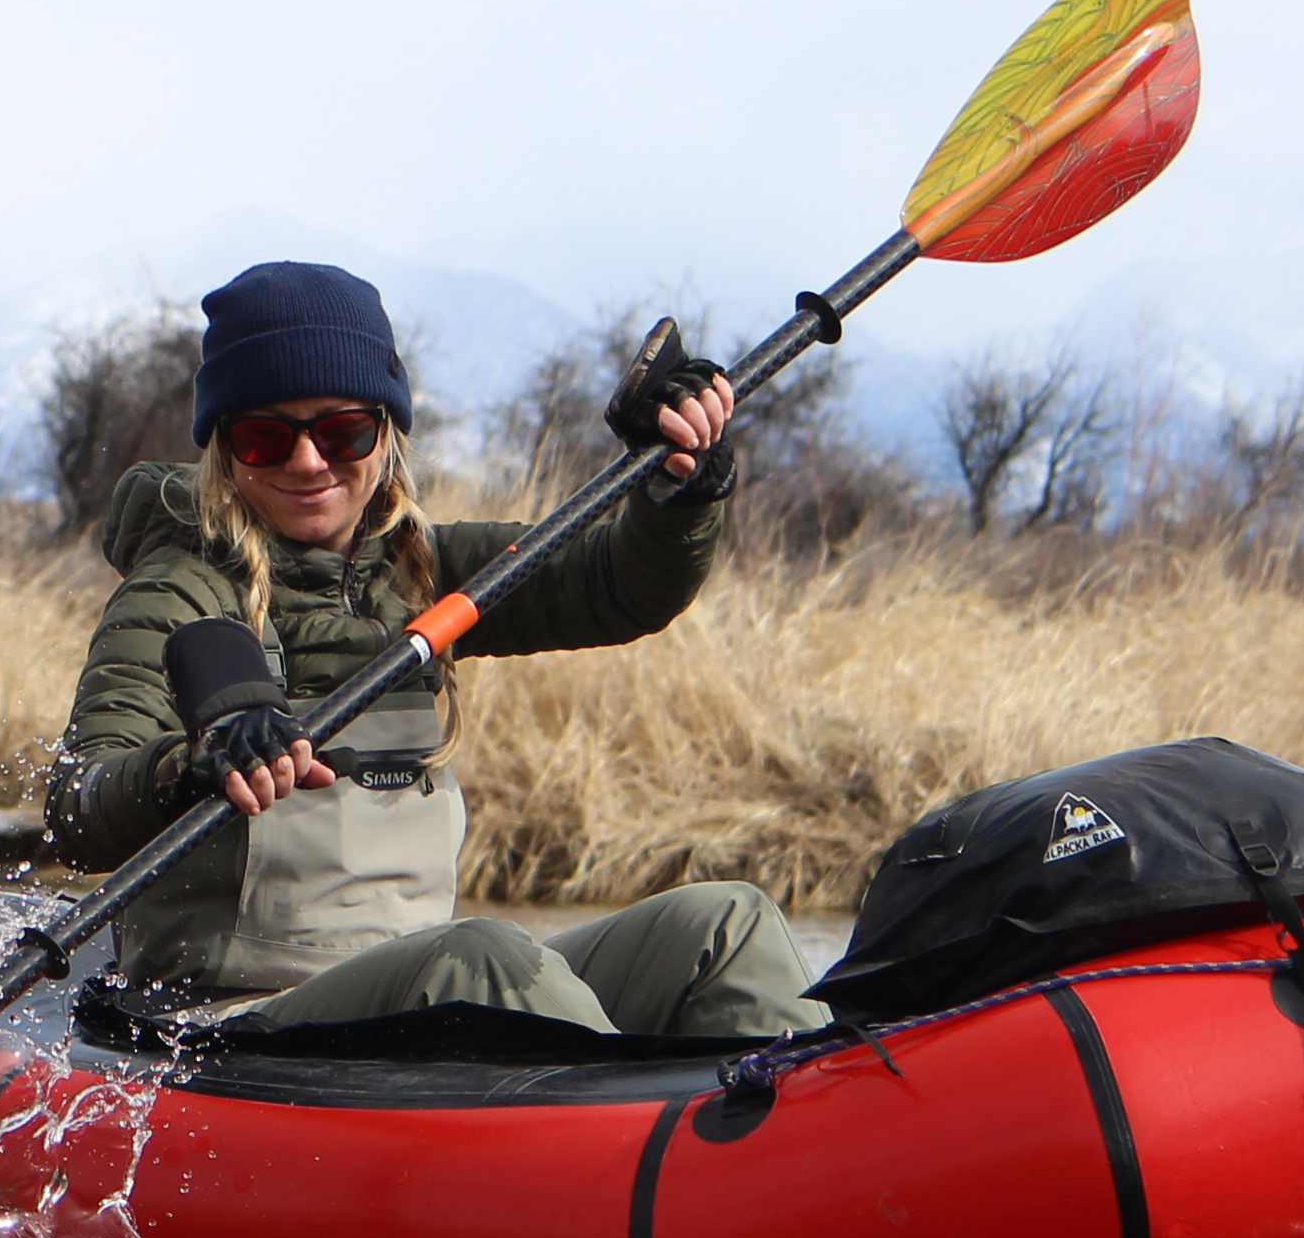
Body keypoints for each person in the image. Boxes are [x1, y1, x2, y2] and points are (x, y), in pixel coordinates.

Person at [45, 259, 826, 1043]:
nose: (308, 461)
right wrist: (190, 764)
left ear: (387, 432)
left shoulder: (426, 573)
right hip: (233, 1020)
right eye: (265, 436)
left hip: (414, 992)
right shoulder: (174, 591)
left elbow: (620, 585)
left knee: (727, 924)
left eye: (343, 429)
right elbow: (77, 804)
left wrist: (678, 489)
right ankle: (626, 1139)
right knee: (482, 958)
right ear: (224, 447)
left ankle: (799, 1131)